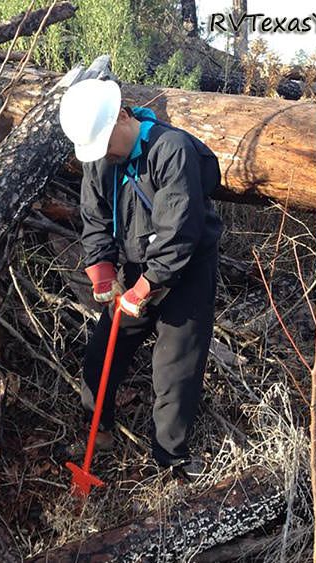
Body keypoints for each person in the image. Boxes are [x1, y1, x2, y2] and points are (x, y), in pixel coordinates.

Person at [58, 78, 223, 471]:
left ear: (121, 116)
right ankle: (100, 432)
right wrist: (102, 270)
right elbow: (94, 218)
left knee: (175, 368)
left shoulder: (171, 150)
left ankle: (171, 457)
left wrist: (147, 287)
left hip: (186, 272)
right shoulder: (101, 159)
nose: (102, 154)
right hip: (136, 270)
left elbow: (179, 231)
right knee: (101, 354)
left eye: (104, 143)